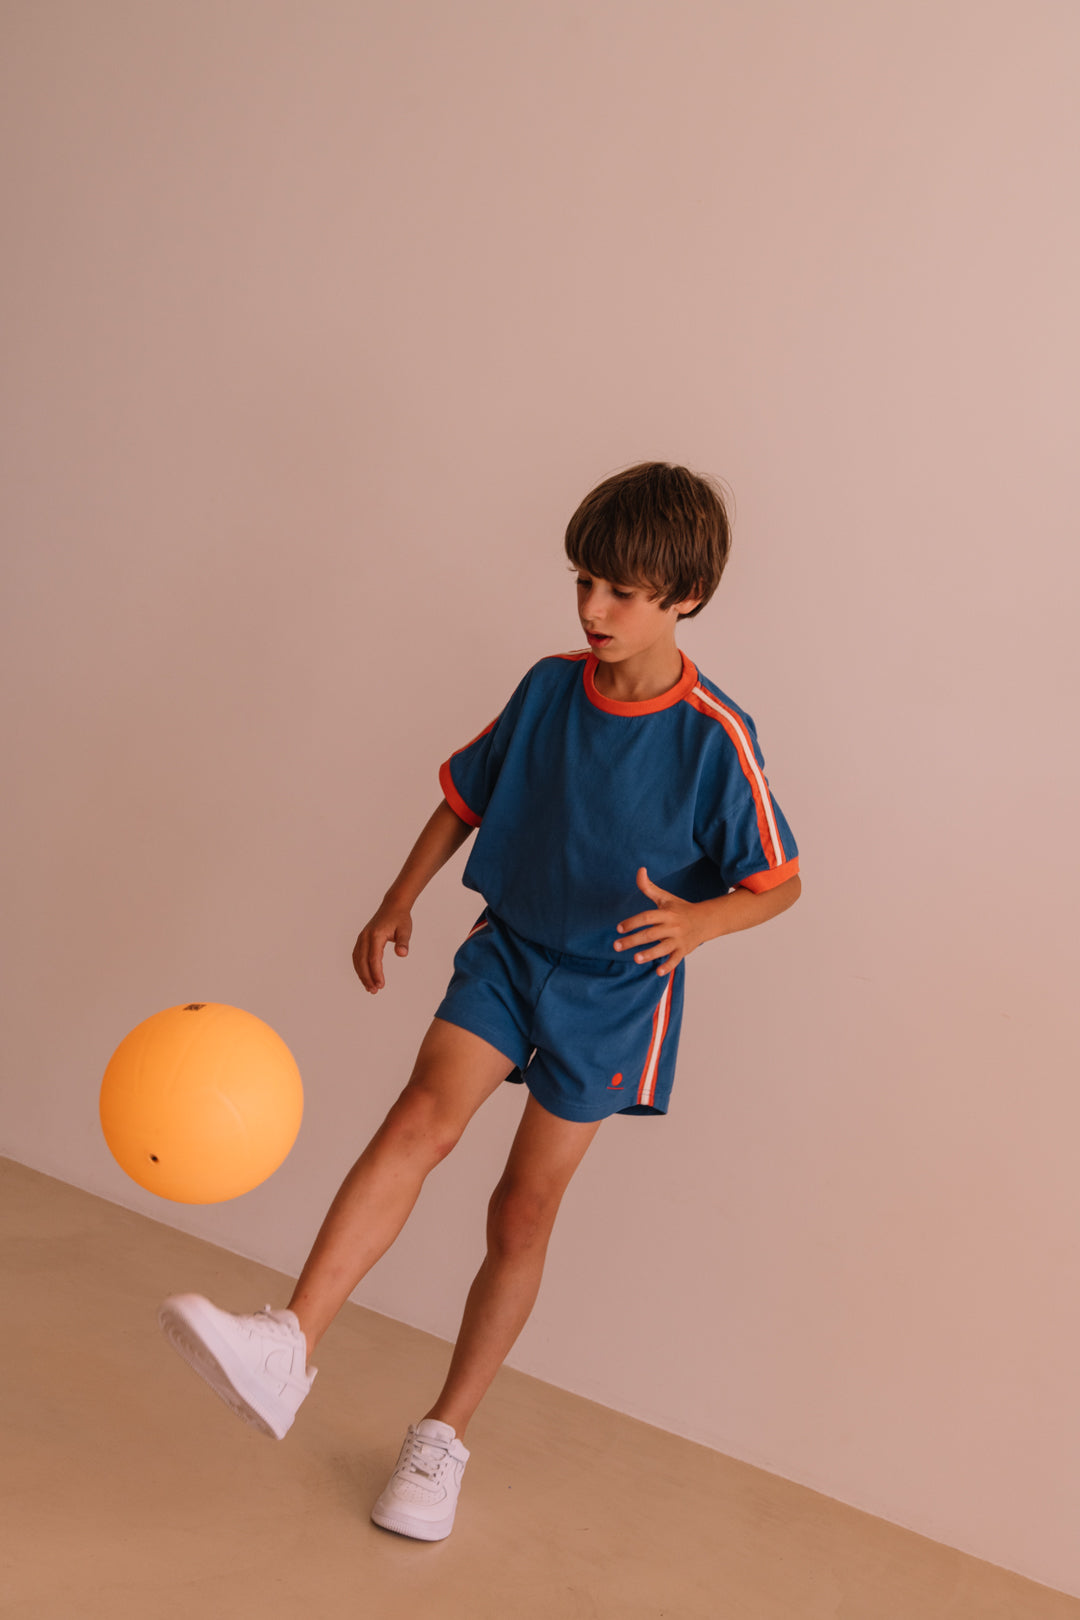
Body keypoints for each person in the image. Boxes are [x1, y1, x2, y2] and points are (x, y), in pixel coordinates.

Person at [158, 460, 802, 1542]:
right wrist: (397, 898)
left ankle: (442, 1436)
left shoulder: (713, 737)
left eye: (622, 592)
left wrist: (701, 923)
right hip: (510, 950)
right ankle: (289, 1342)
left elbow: (779, 882)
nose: (594, 609)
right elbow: (466, 796)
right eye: (583, 582)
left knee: (522, 1211)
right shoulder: (549, 686)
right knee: (421, 1117)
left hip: (615, 993)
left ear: (685, 597)